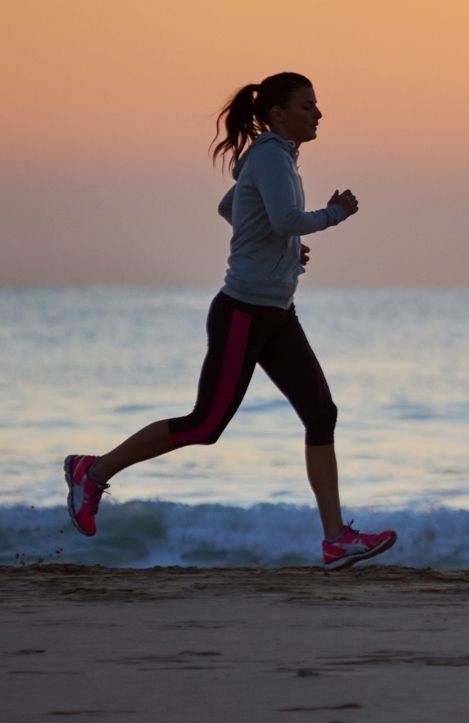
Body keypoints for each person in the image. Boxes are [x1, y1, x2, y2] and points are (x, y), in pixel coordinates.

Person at [64, 72, 396, 570]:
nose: (318, 114)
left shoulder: (274, 158)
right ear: (279, 114)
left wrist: (279, 244)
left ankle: (335, 539)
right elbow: (284, 219)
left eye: (316, 105)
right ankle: (93, 471)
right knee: (205, 424)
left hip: (277, 313)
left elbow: (232, 207)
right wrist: (332, 214)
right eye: (308, 106)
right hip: (243, 312)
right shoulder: (269, 156)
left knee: (320, 412)